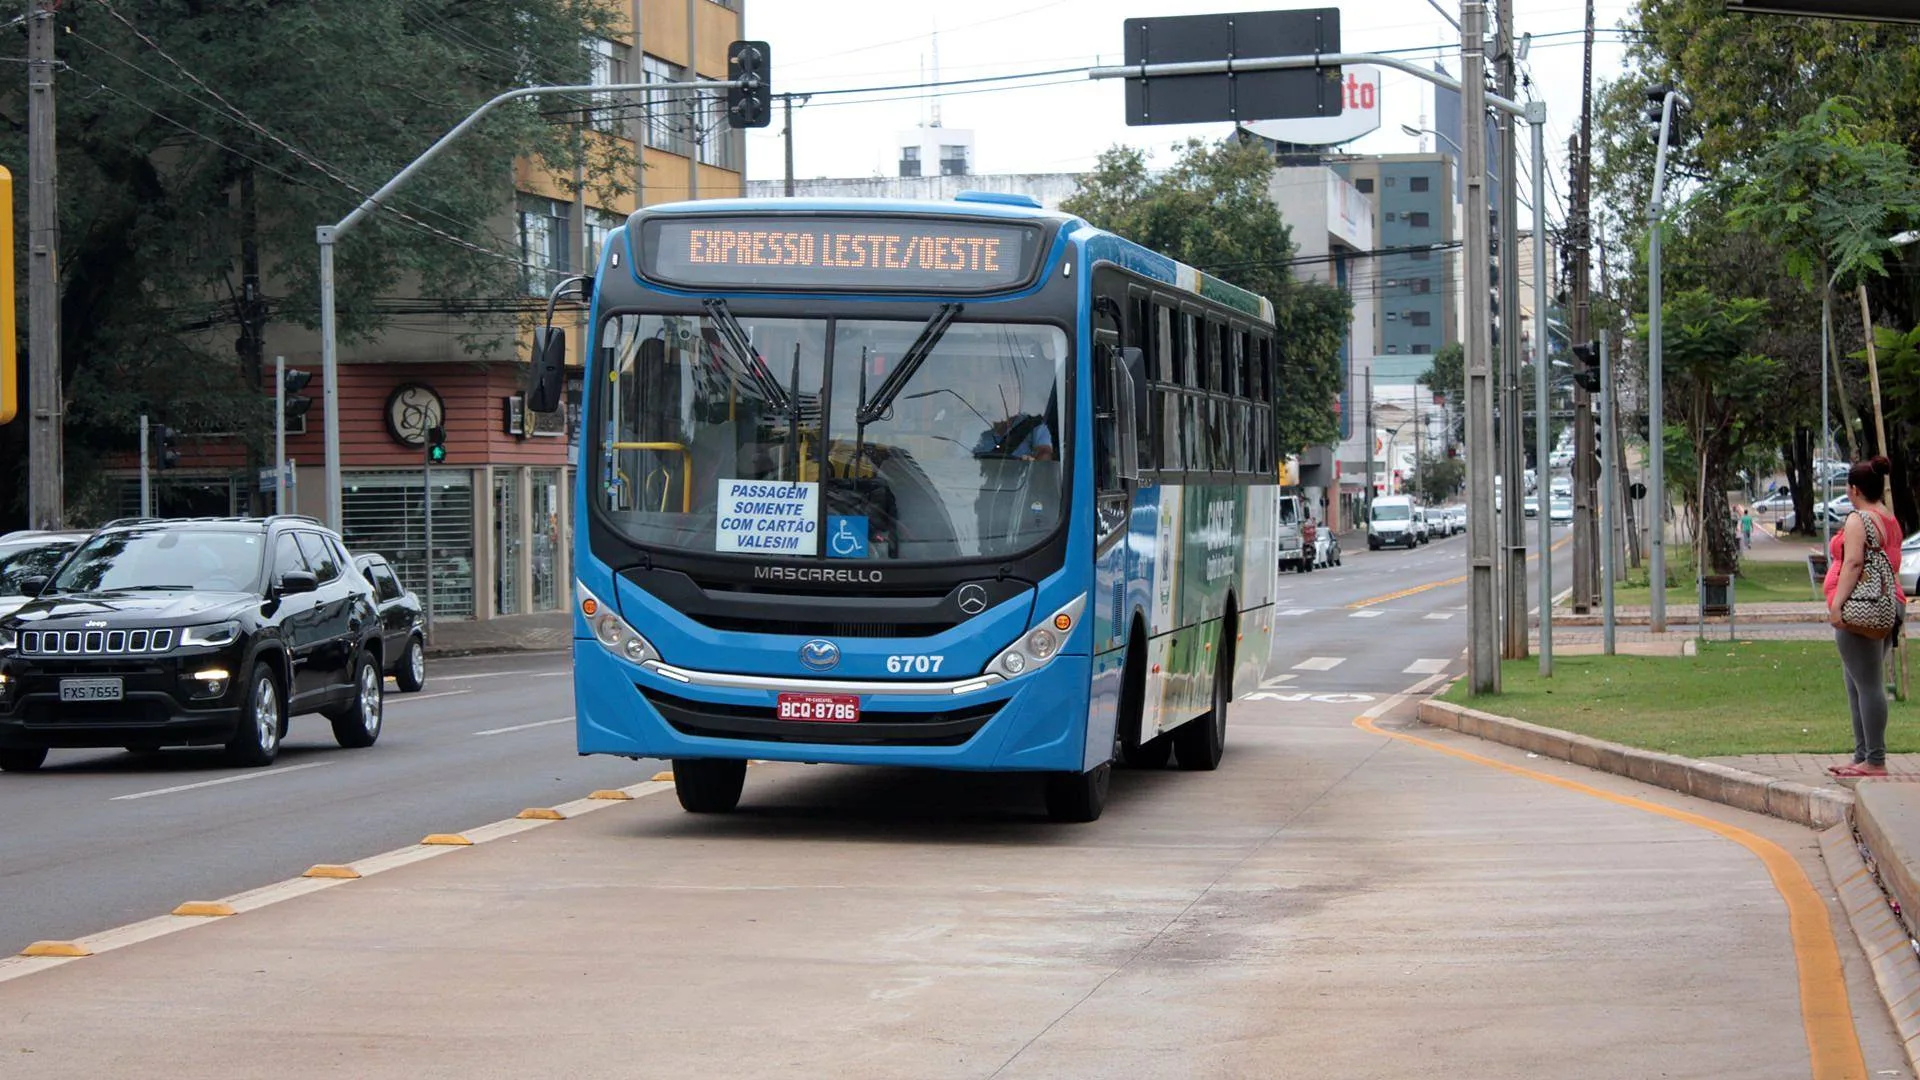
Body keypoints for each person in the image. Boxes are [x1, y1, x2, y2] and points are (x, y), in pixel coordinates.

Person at [1825, 456, 1907, 778]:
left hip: (1864, 610)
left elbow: (1854, 563)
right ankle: (1863, 756)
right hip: (1890, 606)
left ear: (1855, 489)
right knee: (1857, 683)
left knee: (1869, 685)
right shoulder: (1889, 518)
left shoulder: (1860, 519)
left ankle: (1874, 760)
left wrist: (1837, 605)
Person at [972, 413, 1054, 461]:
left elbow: (1044, 455)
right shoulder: (973, 430)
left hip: (1021, 485)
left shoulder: (1034, 427)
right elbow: (963, 462)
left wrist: (1033, 464)